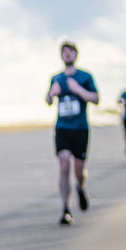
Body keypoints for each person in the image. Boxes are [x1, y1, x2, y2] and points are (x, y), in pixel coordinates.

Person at [44, 40, 99, 225]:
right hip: (62, 128)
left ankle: (81, 187)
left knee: (78, 170)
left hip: (81, 128)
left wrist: (78, 90)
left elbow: (96, 98)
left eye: (70, 52)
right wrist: (51, 94)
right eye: (64, 52)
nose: (67, 55)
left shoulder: (85, 76)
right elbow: (48, 99)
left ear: (76, 54)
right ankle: (65, 209)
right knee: (64, 165)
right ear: (61, 55)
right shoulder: (56, 78)